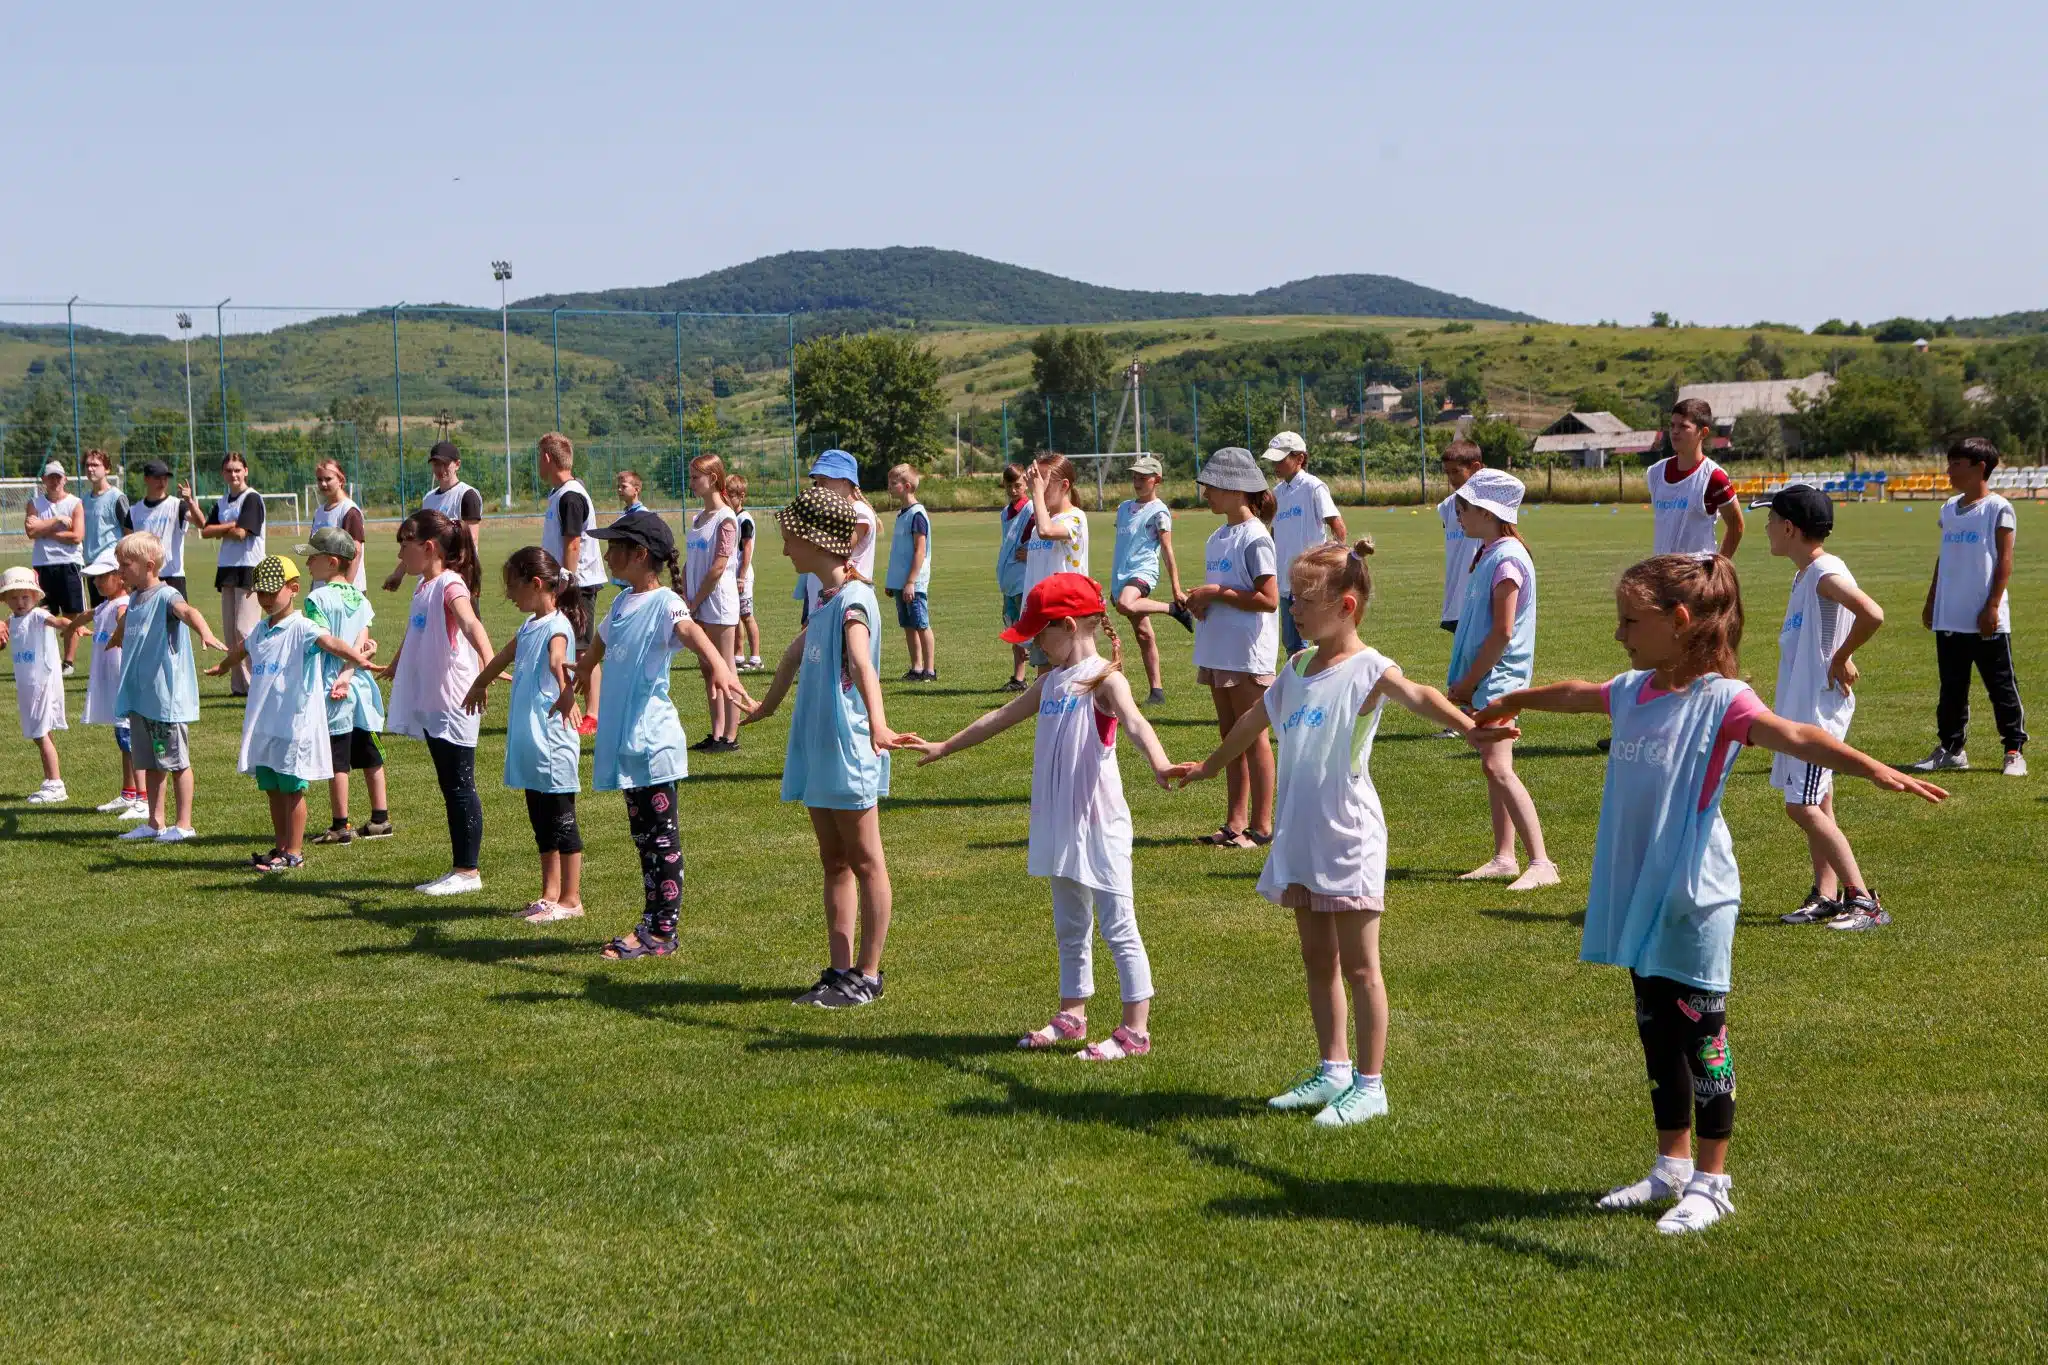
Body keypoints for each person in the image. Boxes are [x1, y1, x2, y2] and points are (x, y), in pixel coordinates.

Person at [1471, 554, 1947, 1235]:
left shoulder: (1724, 702)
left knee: (1702, 1036)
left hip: (1696, 898)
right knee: (1655, 1031)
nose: (1619, 633)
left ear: (1680, 622)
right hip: (1642, 894)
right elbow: (1579, 692)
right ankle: (1669, 1165)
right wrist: (1516, 699)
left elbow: (1797, 733)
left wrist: (1871, 766)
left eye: (1632, 621)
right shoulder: (1634, 691)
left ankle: (1712, 1181)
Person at [1172, 540, 1513, 1125]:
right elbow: (1254, 720)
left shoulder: (1370, 669)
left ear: (1347, 605)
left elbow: (1420, 696)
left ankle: (1371, 1085)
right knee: (1316, 959)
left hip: (1348, 833)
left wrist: (1469, 728)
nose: (1294, 610)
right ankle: (1332, 1071)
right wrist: (1207, 765)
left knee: (1361, 968)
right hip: (1300, 834)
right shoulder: (1298, 667)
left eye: (1305, 600)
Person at [901, 573, 1174, 1059]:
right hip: (1058, 825)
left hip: (1100, 826)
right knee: (1071, 925)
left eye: (1038, 634)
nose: (1031, 644)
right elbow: (998, 718)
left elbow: (1135, 722)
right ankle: (1073, 1015)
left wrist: (1160, 763)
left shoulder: (1104, 680)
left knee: (1118, 924)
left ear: (1068, 626)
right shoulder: (1049, 683)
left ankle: (1136, 1031)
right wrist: (946, 745)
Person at [558, 510, 752, 959]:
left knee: (662, 840)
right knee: (644, 838)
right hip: (627, 744)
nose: (606, 555)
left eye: (614, 547)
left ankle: (661, 932)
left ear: (640, 555)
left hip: (654, 744)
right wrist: (579, 677)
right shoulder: (621, 602)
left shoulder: (666, 601)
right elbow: (598, 648)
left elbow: (691, 632)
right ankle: (651, 922)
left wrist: (720, 665)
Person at [741, 486, 898, 1007]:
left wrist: (877, 723)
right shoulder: (828, 598)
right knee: (834, 862)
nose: (785, 549)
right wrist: (765, 707)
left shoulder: (853, 600)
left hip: (848, 749)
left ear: (815, 541)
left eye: (789, 539)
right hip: (817, 747)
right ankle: (838, 969)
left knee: (866, 860)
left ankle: (868, 975)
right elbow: (791, 656)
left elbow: (861, 663)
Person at [1753, 486, 1891, 931]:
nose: (1767, 527)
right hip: (1800, 712)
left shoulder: (1824, 573)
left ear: (1790, 528)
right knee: (1820, 801)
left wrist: (1840, 656)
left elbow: (1872, 612)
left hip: (1817, 717)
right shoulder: (1805, 574)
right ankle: (1826, 895)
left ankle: (1864, 901)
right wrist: (1839, 652)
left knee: (1803, 806)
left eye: (1771, 520)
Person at [206, 555, 375, 873]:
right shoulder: (261, 629)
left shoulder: (302, 627)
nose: (267, 599)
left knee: (293, 790)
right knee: (273, 789)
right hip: (267, 726)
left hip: (294, 726)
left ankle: (294, 852)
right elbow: (242, 649)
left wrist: (360, 659)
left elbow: (332, 643)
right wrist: (223, 666)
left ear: (294, 588)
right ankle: (280, 847)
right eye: (262, 593)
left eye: (273, 592)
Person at [375, 509, 495, 896]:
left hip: (454, 698)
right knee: (450, 784)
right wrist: (394, 665)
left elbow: (472, 624)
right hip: (433, 698)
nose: (400, 555)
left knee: (460, 784)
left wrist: (486, 672)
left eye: (404, 546)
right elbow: (415, 632)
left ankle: (468, 872)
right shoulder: (423, 586)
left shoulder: (449, 585)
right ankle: (460, 867)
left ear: (427, 547)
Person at [1446, 468, 1557, 890]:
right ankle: (1504, 857)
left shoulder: (1507, 560)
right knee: (1494, 768)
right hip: (1486, 678)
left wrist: (1470, 682)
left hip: (1498, 679)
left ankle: (1541, 862)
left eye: (1465, 508)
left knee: (1498, 767)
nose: (1459, 515)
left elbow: (1503, 632)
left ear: (1488, 511)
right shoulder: (1488, 552)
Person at [465, 547, 588, 923]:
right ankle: (549, 895)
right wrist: (479, 684)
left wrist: (566, 692)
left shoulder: (557, 626)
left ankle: (571, 899)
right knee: (540, 819)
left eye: (513, 587)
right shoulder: (528, 626)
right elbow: (501, 657)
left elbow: (557, 660)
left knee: (561, 819)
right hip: (530, 743)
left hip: (552, 741)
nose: (509, 595)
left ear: (536, 584)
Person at [1910, 437, 2027, 778]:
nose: (1949, 471)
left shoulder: (1999, 508)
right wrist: (1933, 600)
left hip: (1986, 619)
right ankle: (1951, 749)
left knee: (2001, 687)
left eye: (1956, 464)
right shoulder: (1948, 508)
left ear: (1980, 468)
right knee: (1951, 690)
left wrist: (1992, 606)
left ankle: (2013, 750)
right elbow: (1943, 558)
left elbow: (2005, 561)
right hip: (1950, 616)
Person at [108, 530, 228, 841]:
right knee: (149, 763)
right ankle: (154, 822)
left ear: (148, 565)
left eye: (125, 563)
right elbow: (128, 621)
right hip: (141, 698)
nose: (120, 569)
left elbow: (188, 611)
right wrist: (117, 635)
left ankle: (184, 825)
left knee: (176, 762)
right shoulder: (134, 597)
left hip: (164, 700)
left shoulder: (166, 595)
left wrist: (204, 631)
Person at [1185, 447, 1278, 849]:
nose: (1206, 493)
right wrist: (1203, 602)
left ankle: (1261, 826)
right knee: (1229, 736)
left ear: (1238, 489)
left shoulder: (1256, 537)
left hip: (1245, 652)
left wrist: (1215, 593)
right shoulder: (1218, 535)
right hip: (1218, 649)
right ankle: (1234, 822)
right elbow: (1227, 593)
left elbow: (1269, 598)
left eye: (1213, 486)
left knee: (1252, 736)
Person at [298, 527, 391, 845]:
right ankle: (380, 819)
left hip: (331, 688)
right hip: (361, 688)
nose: (308, 563)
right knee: (370, 755)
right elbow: (362, 646)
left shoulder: (315, 599)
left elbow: (326, 642)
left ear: (332, 562)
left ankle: (341, 825)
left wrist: (340, 677)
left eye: (313, 557)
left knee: (337, 759)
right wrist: (351, 673)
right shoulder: (360, 599)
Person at [57, 550, 144, 817]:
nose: (95, 583)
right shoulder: (105, 605)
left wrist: (119, 629)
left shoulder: (121, 604)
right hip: (110, 681)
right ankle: (129, 793)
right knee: (122, 738)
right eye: (93, 579)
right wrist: (72, 627)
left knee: (131, 739)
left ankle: (143, 798)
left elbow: (124, 622)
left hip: (122, 681)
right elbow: (85, 615)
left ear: (120, 577)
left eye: (101, 577)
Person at [1109, 454, 1193, 706]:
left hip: (1143, 573)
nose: (1137, 481)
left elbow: (1167, 551)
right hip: (1121, 575)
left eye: (1143, 477)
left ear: (1157, 480)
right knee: (1143, 634)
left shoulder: (1159, 512)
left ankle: (1172, 610)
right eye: (1135, 476)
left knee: (1125, 604)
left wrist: (1176, 588)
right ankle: (1157, 692)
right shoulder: (1123, 508)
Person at [186, 452, 266, 697]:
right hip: (228, 569)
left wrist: (224, 529)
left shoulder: (252, 499)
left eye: (237, 470)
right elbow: (206, 531)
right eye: (229, 470)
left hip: (249, 569)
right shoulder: (222, 502)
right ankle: (240, 686)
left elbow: (243, 534)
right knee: (231, 632)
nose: (233, 474)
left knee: (246, 630)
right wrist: (230, 527)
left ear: (246, 471)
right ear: (223, 473)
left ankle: (257, 685)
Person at [1262, 431, 1347, 656]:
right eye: (1274, 460)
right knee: (1292, 646)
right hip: (1285, 580)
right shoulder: (1277, 493)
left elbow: (1338, 526)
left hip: (1311, 580)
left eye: (1281, 460)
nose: (1275, 465)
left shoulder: (1313, 487)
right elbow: (1273, 534)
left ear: (1299, 459)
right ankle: (1299, 687)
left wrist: (1335, 564)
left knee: (1319, 642)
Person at [683, 454, 743, 751]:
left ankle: (731, 736)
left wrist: (696, 600)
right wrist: (685, 593)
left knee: (725, 668)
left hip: (717, 603)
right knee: (708, 668)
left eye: (696, 477)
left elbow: (719, 565)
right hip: (696, 601)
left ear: (713, 479)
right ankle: (716, 731)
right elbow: (690, 561)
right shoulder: (698, 517)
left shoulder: (726, 518)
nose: (691, 482)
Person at [1019, 455, 1090, 676]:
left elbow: (1047, 531)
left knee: (1069, 680)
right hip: (1042, 613)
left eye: (1043, 483)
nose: (1036, 489)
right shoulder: (1040, 524)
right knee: (1045, 682)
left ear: (1064, 485)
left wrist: (1036, 495)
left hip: (1066, 616)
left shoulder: (1075, 518)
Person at [4, 565, 68, 803]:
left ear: (34, 596)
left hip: (42, 683)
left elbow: (56, 621)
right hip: (27, 686)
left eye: (25, 596)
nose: (20, 602)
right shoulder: (12, 620)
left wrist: (72, 625)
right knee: (40, 734)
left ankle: (55, 783)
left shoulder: (38, 616)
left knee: (41, 734)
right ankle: (51, 780)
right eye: (14, 597)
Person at [1648, 399, 1743, 559]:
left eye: (1683, 426)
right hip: (1662, 578)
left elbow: (1736, 525)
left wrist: (1718, 569)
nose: (1675, 432)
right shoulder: (1655, 472)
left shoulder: (1714, 476)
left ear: (1703, 432)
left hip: (1697, 579)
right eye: (1672, 426)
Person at [383, 442, 484, 591]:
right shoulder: (429, 498)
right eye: (436, 464)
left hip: (457, 578)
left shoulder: (467, 495)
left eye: (445, 464)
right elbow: (418, 541)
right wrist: (398, 574)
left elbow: (470, 540)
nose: (440, 469)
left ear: (457, 464)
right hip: (429, 578)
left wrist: (456, 579)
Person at [538, 432, 606, 653]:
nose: (538, 462)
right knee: (564, 646)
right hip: (563, 583)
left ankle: (592, 689)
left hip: (577, 585)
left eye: (540, 456)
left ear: (547, 458)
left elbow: (573, 544)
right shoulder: (558, 494)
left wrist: (566, 583)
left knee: (579, 650)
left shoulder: (571, 496)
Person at [792, 449, 877, 625]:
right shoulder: (830, 513)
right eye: (817, 483)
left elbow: (840, 550)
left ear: (845, 480)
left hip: (843, 599)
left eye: (824, 481)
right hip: (821, 593)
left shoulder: (860, 512)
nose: (819, 489)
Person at [24, 460, 85, 675]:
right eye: (51, 477)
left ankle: (68, 662)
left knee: (72, 614)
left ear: (65, 479)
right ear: (44, 480)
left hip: (70, 565)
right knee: (41, 613)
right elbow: (31, 531)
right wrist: (58, 520)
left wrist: (45, 529)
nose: (55, 481)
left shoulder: (75, 503)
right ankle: (46, 658)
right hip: (42, 565)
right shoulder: (34, 503)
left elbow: (77, 536)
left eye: (58, 477)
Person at [884, 463, 936, 682]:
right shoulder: (901, 514)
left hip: (913, 583)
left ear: (906, 486)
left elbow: (919, 550)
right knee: (908, 625)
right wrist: (893, 581)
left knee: (921, 624)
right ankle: (916, 667)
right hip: (900, 582)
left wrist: (911, 582)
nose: (888, 486)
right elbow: (899, 552)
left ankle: (930, 670)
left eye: (892, 483)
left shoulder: (917, 514)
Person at [996, 464, 1034, 690]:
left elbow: (1044, 537)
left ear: (1026, 484)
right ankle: (1018, 678)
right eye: (1009, 486)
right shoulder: (1005, 512)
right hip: (1009, 579)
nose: (1013, 490)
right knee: (1014, 629)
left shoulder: (1031, 510)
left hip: (1024, 579)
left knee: (1027, 629)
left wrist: (1031, 551)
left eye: (1017, 485)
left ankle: (1039, 675)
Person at [80, 449, 132, 608]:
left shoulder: (117, 497)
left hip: (111, 565)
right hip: (91, 564)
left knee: (116, 610)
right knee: (99, 613)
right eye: (88, 465)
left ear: (107, 469)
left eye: (95, 465)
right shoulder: (85, 500)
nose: (90, 469)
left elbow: (129, 533)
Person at [130, 461, 192, 594]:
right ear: (146, 479)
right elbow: (128, 548)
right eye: (157, 478)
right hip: (143, 578)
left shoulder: (178, 506)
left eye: (165, 478)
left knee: (176, 615)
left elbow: (200, 523)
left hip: (173, 577)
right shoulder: (134, 511)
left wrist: (190, 502)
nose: (162, 482)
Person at [310, 458, 369, 590]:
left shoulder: (349, 510)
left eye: (328, 479)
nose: (323, 484)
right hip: (322, 590)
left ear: (341, 480)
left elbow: (356, 553)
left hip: (345, 591)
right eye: (319, 479)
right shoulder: (319, 512)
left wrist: (345, 590)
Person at [725, 474, 763, 671]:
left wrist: (741, 575)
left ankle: (755, 657)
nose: (727, 499)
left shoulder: (744, 519)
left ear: (741, 496)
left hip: (743, 576)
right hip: (733, 575)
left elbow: (746, 549)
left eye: (730, 495)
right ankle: (738, 655)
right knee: (735, 615)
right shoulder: (733, 517)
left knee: (747, 615)